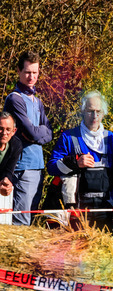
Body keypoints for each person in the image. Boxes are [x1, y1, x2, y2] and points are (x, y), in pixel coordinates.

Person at [46, 91, 113, 229]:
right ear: (82, 111)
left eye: (98, 111)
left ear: (104, 113)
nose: (94, 116)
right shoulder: (69, 137)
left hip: (103, 207)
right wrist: (75, 163)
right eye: (90, 111)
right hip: (77, 209)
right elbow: (51, 167)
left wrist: (112, 201)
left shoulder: (111, 139)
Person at [3, 51, 52, 225]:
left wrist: (37, 133)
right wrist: (37, 133)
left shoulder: (37, 101)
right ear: (19, 71)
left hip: (38, 166)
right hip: (22, 167)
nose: (31, 76)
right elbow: (32, 132)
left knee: (30, 221)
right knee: (21, 223)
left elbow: (49, 133)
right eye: (27, 72)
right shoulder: (15, 99)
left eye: (35, 72)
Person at [0, 113, 23, 225]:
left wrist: (7, 182)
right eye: (0, 129)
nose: (4, 133)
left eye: (8, 129)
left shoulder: (16, 145)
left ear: (14, 131)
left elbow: (9, 170)